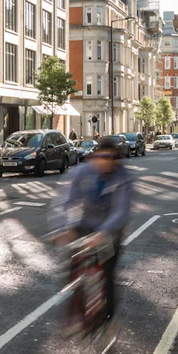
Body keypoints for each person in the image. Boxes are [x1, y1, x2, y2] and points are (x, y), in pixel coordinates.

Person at [53, 136, 134, 327]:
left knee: (107, 273)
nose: (107, 161)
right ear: (96, 155)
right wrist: (61, 228)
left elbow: (121, 210)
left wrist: (103, 233)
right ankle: (76, 303)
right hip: (86, 222)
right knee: (74, 257)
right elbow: (64, 201)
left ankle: (109, 321)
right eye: (103, 156)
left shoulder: (123, 177)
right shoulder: (83, 172)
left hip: (111, 228)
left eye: (113, 157)